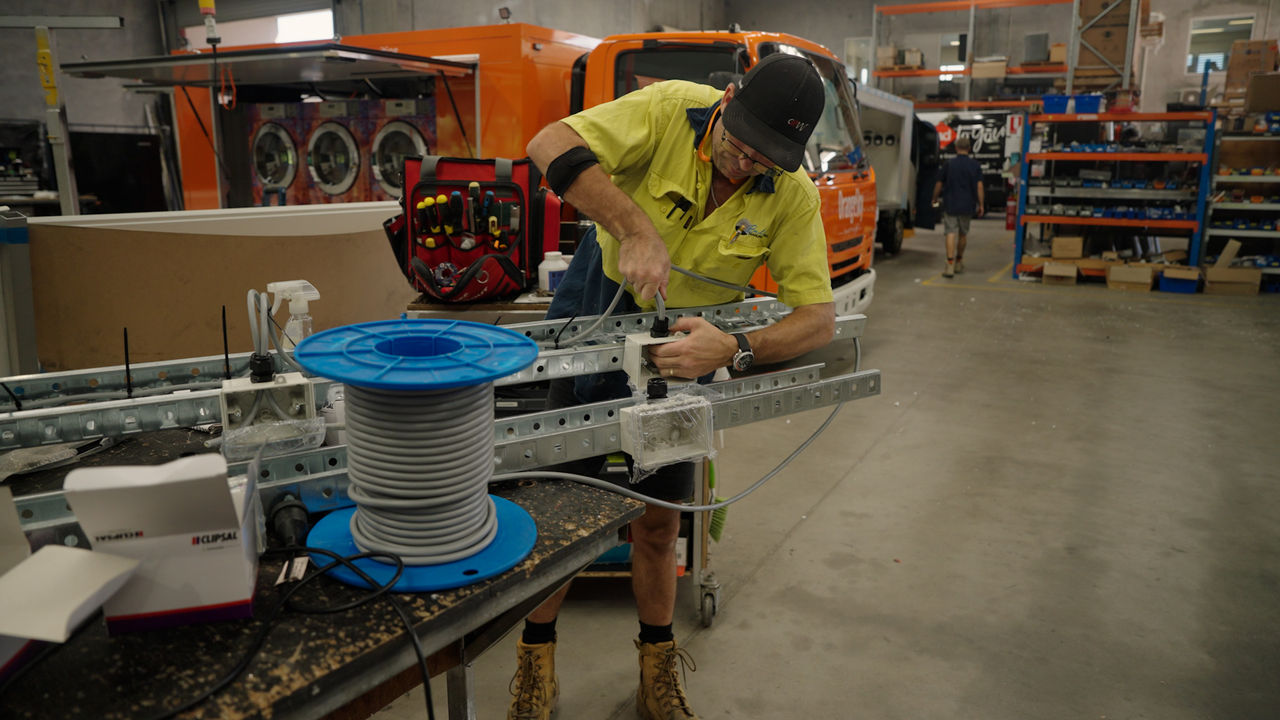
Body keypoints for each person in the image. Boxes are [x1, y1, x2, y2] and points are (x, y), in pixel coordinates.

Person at [511, 53, 837, 720]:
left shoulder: (791, 193)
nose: (742, 166)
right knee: (561, 513)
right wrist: (634, 226)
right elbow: (549, 143)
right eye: (737, 147)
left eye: (763, 161)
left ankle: (656, 665)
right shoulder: (668, 111)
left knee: (660, 525)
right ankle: (534, 660)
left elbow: (818, 319)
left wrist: (736, 348)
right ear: (727, 99)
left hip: (685, 350)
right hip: (596, 304)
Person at [931, 134, 985, 277]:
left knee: (950, 232)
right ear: (969, 148)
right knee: (963, 234)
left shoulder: (949, 164)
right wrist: (981, 205)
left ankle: (949, 264)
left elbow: (939, 183)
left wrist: (934, 198)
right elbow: (979, 187)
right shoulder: (975, 165)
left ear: (956, 148)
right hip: (967, 205)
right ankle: (959, 263)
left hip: (951, 203)